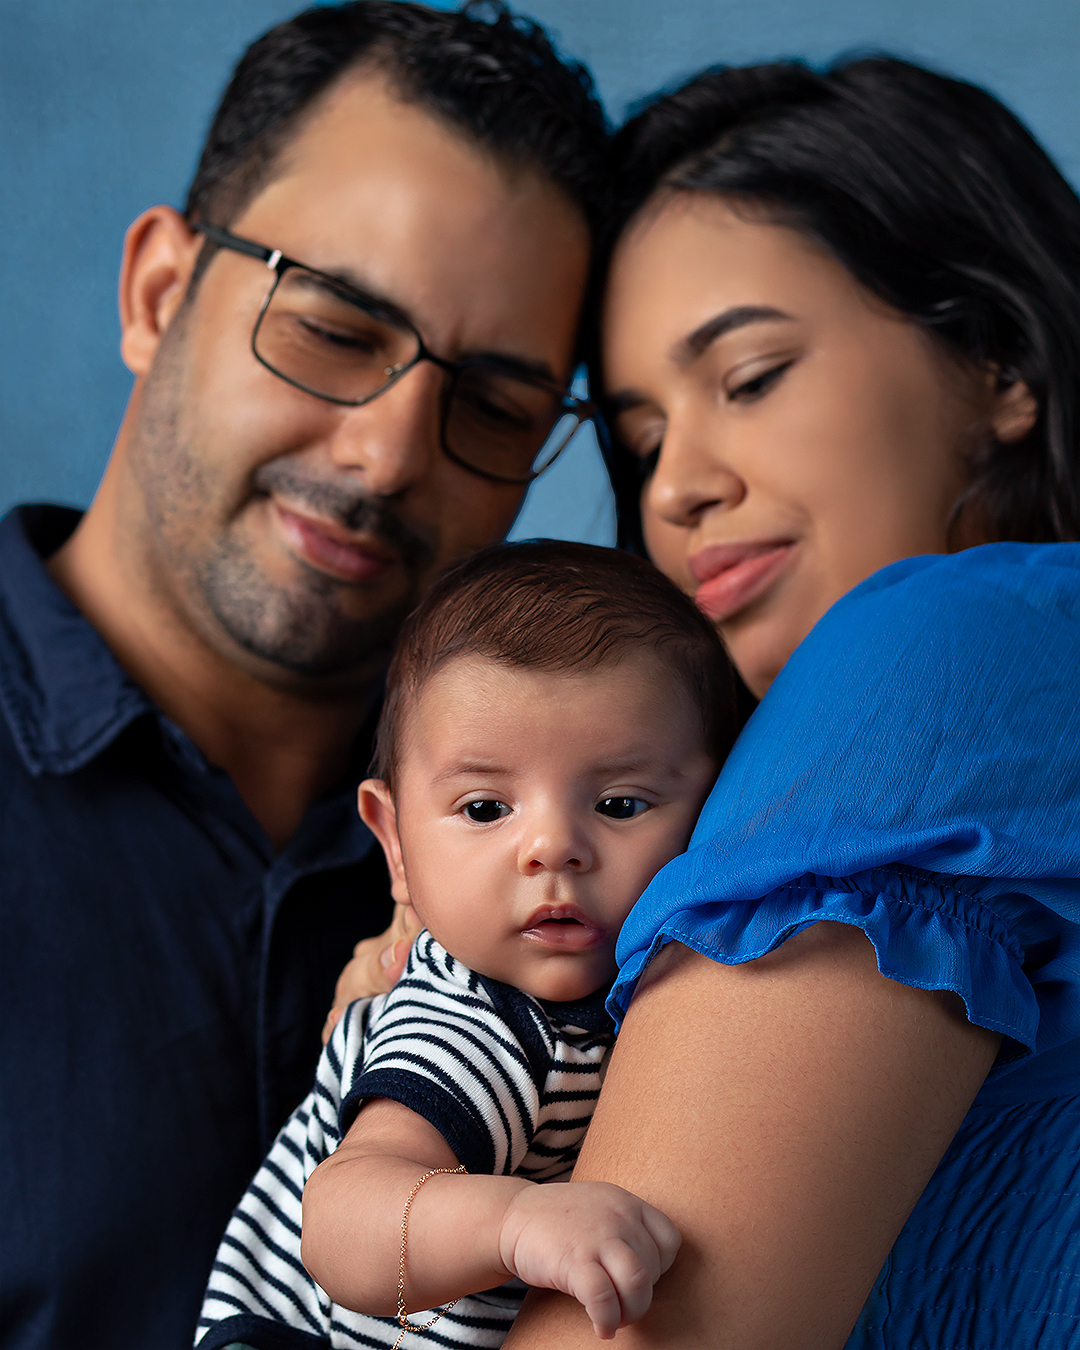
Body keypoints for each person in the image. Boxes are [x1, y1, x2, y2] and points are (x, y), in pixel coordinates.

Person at [0, 5, 609, 1347]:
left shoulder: (597, 836)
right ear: (157, 293)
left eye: (494, 407)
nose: (390, 455)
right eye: (333, 327)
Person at [501, 57, 1080, 1350]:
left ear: (998, 359)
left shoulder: (938, 645)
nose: (676, 489)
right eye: (643, 442)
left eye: (751, 374)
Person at [193, 540, 731, 1350]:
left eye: (620, 803)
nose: (552, 848)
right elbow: (342, 1224)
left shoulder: (624, 996)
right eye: (485, 809)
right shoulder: (473, 1020)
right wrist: (517, 1224)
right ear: (395, 843)